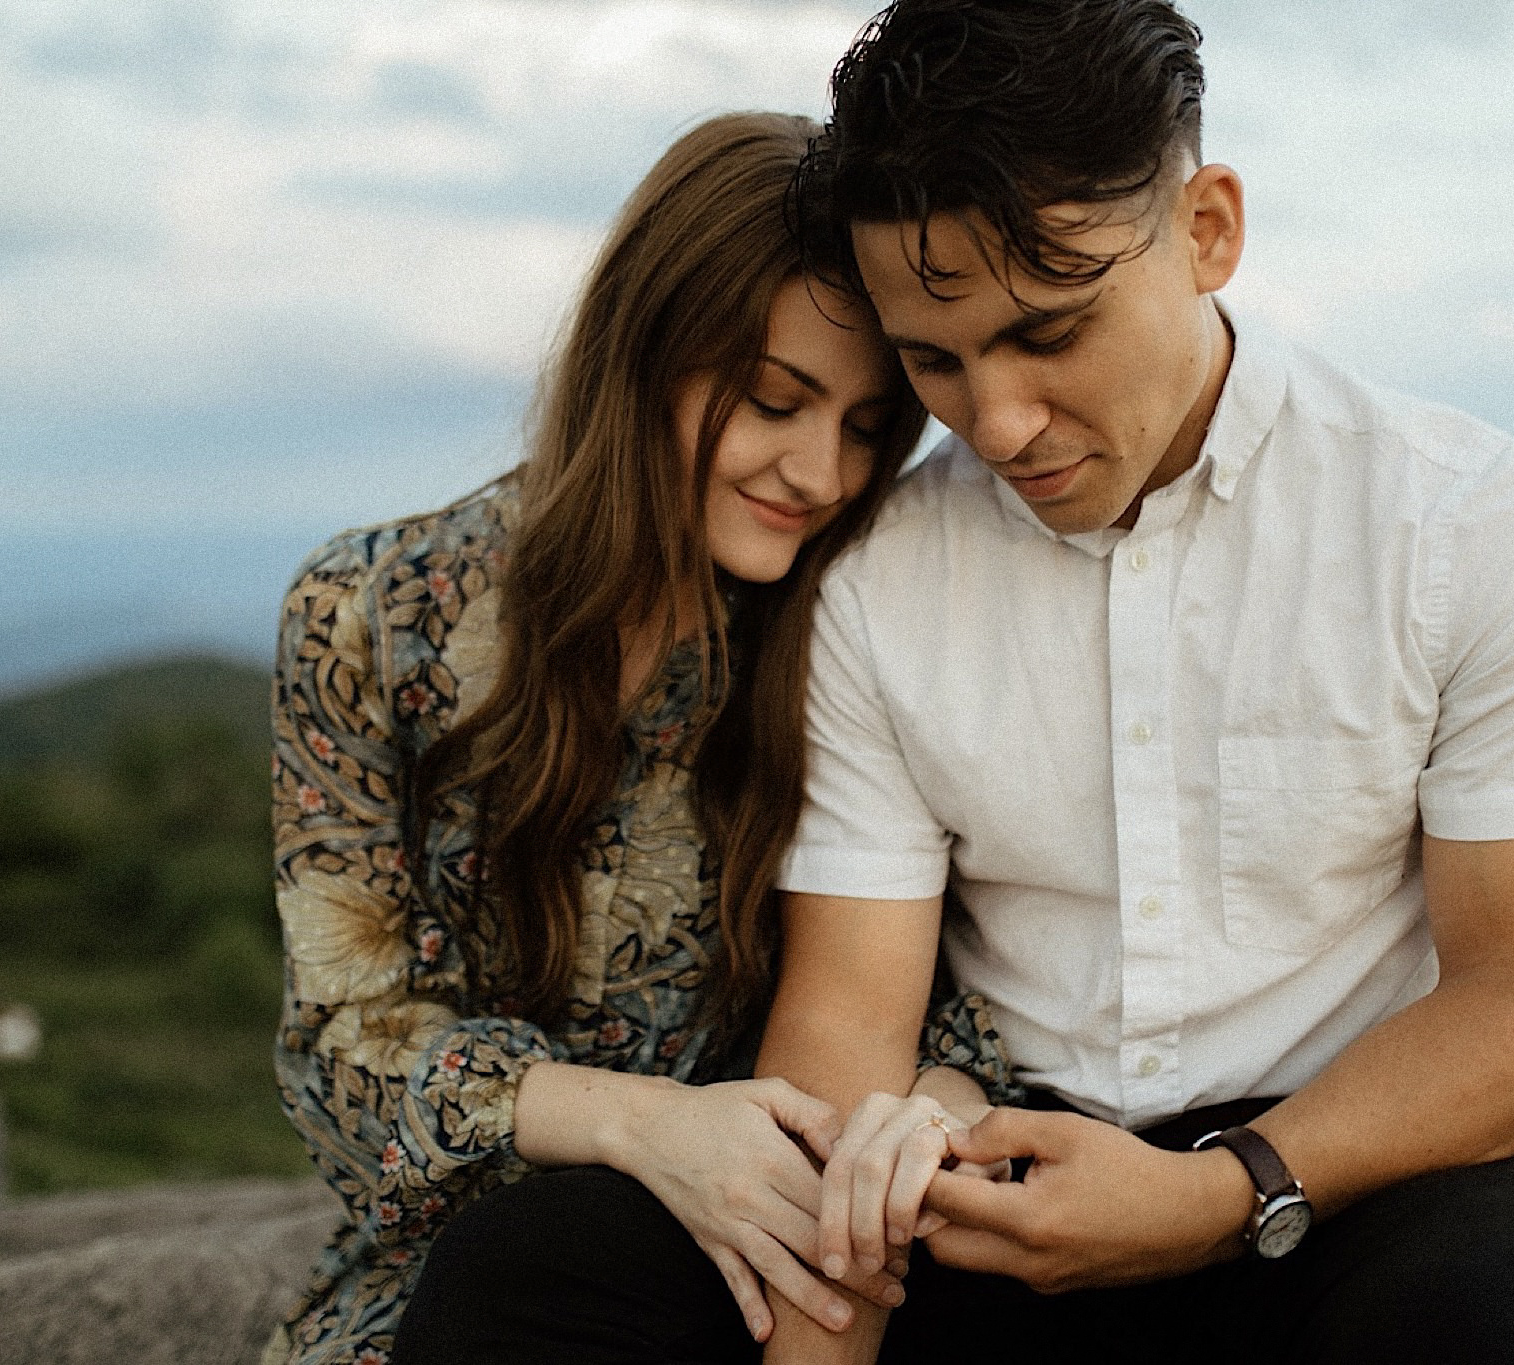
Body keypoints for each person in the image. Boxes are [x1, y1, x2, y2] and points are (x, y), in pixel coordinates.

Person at [748, 1, 1514, 1361]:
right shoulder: (877, 576)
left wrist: (1220, 1192)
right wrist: (841, 1263)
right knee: (560, 1262)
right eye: (934, 361)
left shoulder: (1478, 525)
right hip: (988, 1178)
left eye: (1049, 332)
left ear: (1208, 231)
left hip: (1346, 1184)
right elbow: (842, 1017)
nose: (996, 425)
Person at [260, 111, 1017, 1365]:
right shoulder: (367, 616)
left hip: (816, 1247)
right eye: (773, 400)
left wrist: (928, 1115)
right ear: (643, 349)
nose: (818, 472)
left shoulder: (864, 625)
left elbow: (975, 995)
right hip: (490, 1274)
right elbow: (344, 1053)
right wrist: (647, 1127)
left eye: (867, 425)